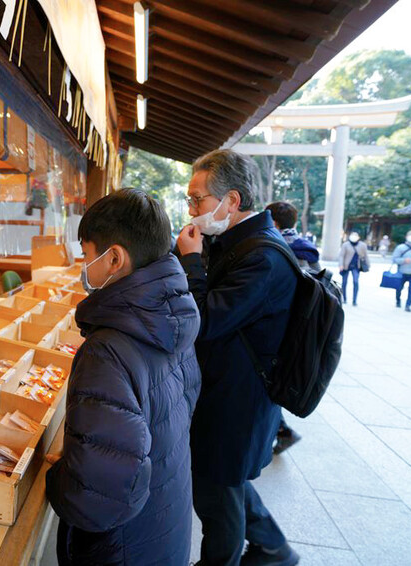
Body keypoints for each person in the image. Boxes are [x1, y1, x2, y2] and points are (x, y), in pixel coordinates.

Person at [46, 189, 202, 565]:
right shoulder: (174, 319)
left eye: (87, 256)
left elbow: (98, 499)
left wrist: (56, 476)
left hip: (123, 549)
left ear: (114, 258)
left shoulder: (107, 349)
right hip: (163, 529)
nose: (84, 268)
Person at [176, 150, 299, 566]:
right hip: (226, 387)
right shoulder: (237, 240)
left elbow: (205, 320)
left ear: (231, 200)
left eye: (198, 200)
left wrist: (191, 261)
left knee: (215, 492)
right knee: (226, 481)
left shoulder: (261, 256)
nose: (192, 209)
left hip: (239, 398)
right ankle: (274, 548)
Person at [264, 201, 314, 456]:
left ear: (274, 222)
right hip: (297, 328)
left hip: (280, 328)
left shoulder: (275, 247)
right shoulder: (304, 246)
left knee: (271, 389)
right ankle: (282, 431)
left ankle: (282, 431)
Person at [337, 232, 368, 307]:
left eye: (356, 235)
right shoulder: (345, 245)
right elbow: (341, 255)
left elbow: (365, 256)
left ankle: (354, 300)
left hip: (356, 266)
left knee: (356, 281)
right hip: (345, 266)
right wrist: (341, 265)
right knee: (344, 282)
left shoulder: (362, 245)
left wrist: (367, 265)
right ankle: (344, 298)